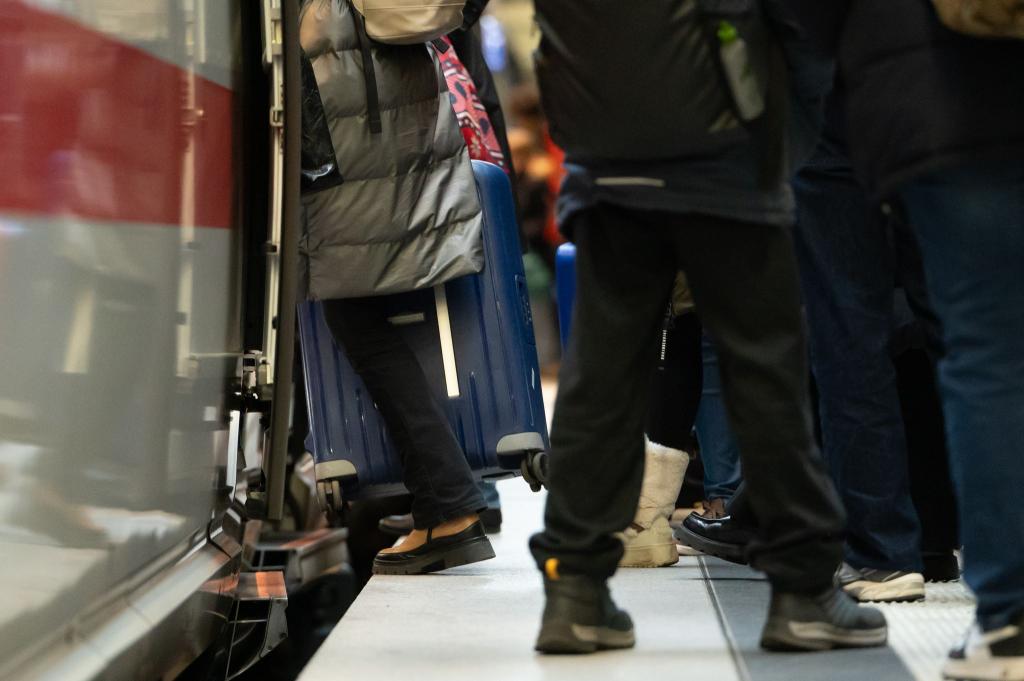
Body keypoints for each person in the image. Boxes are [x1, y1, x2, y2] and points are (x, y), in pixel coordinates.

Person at [528, 0, 886, 654]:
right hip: (727, 153)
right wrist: (781, 128)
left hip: (603, 153)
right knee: (763, 367)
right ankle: (804, 590)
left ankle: (575, 589)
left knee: (601, 373)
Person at [779, 1, 1024, 678]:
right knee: (977, 335)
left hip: (880, 89)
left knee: (850, 323)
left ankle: (889, 550)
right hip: (994, 68)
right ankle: (969, 539)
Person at [298, 0, 494, 574]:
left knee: (353, 316)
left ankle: (451, 504)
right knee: (360, 314)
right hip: (379, 121)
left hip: (353, 129)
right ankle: (443, 497)